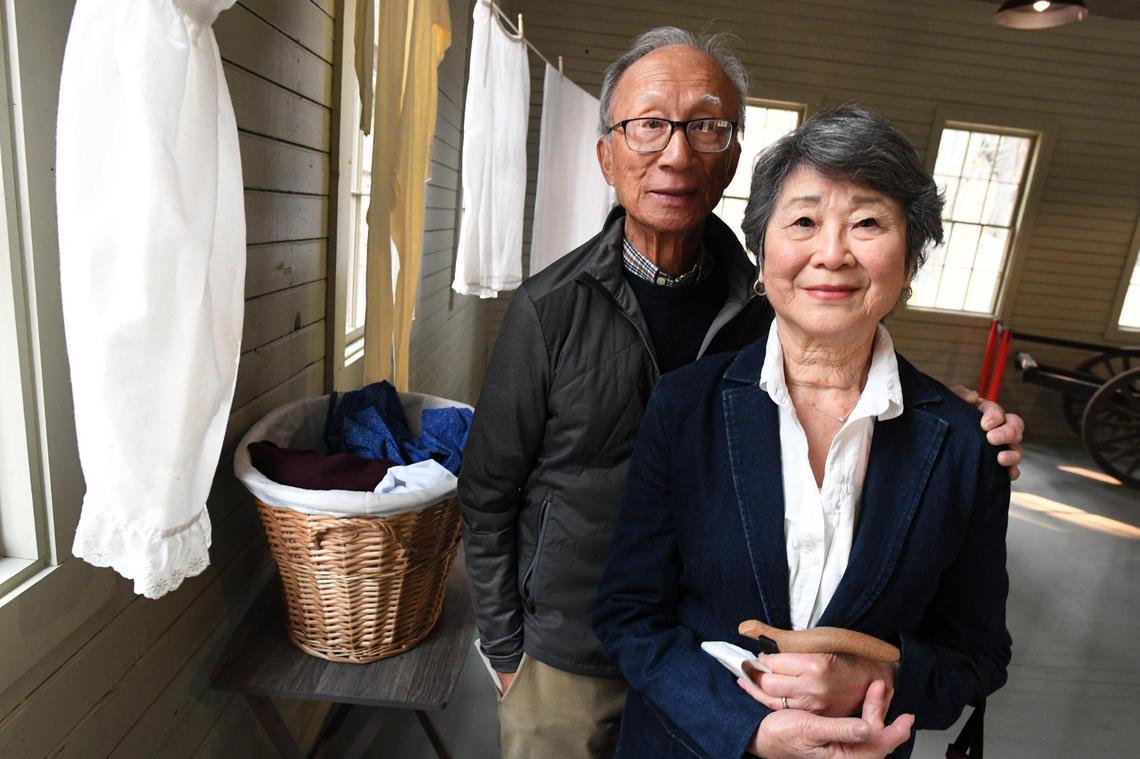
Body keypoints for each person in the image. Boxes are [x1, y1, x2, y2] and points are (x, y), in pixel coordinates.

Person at [458, 29, 1023, 759]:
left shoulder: (768, 296)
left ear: (732, 155)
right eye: (648, 125)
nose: (677, 153)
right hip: (569, 640)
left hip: (723, 656)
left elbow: (841, 355)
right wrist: (505, 647)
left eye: (706, 127)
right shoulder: (548, 307)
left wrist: (948, 418)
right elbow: (489, 486)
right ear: (607, 153)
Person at [592, 105, 1012, 759]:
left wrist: (879, 677)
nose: (832, 253)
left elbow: (978, 656)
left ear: (909, 261)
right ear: (762, 254)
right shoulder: (686, 406)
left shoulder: (963, 443)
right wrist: (748, 729)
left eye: (868, 222)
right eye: (805, 221)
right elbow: (628, 614)